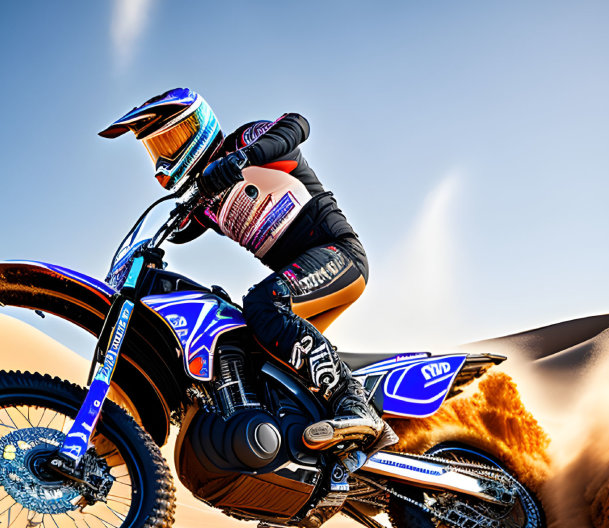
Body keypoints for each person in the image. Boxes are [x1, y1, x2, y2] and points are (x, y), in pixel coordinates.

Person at [99, 88, 395, 455]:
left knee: (262, 303)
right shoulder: (204, 203)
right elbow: (179, 232)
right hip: (300, 283)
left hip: (339, 256)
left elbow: (297, 125)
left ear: (198, 127)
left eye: (171, 139)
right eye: (157, 148)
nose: (165, 155)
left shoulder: (247, 140)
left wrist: (240, 160)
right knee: (244, 345)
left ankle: (356, 406)